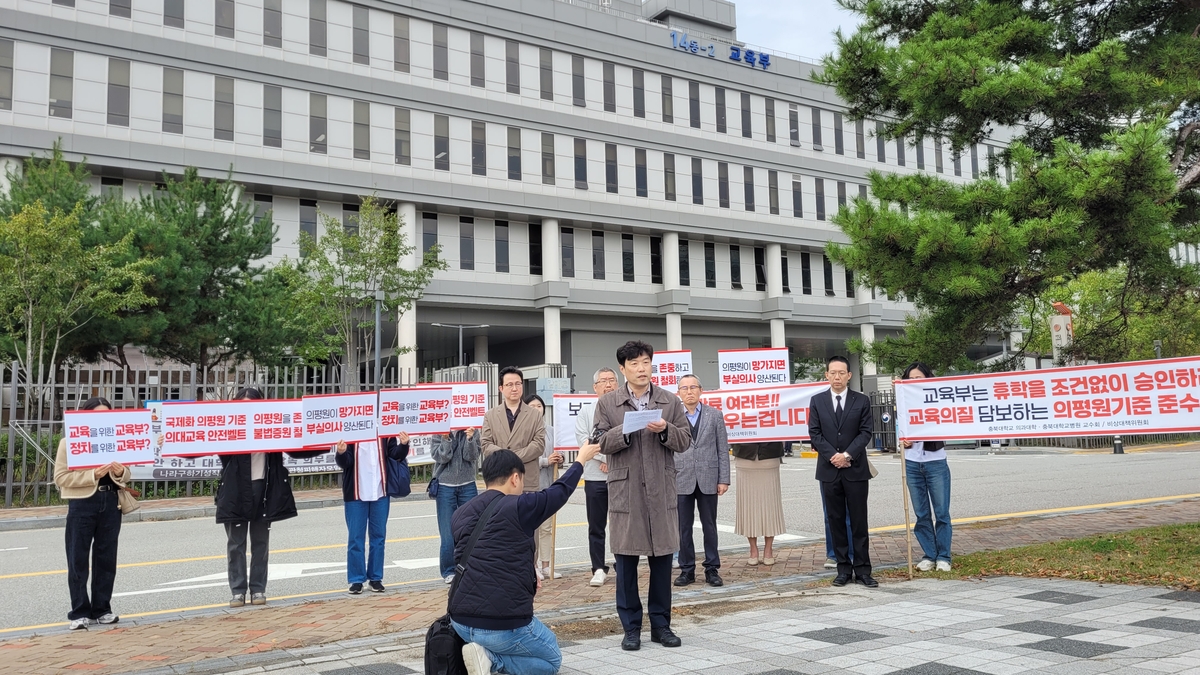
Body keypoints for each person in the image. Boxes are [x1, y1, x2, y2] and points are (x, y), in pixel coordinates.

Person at [451, 444, 602, 675]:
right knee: (551, 660)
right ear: (514, 478)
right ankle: (491, 660)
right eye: (521, 480)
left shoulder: (461, 513)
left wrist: (529, 570)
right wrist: (580, 460)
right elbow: (558, 492)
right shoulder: (520, 506)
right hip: (499, 625)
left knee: (510, 643)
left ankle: (481, 653)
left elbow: (483, 555)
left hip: (459, 621)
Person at [594, 340, 691, 651]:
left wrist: (664, 429)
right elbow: (598, 441)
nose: (641, 368)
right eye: (634, 364)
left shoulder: (669, 401)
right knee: (626, 565)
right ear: (623, 369)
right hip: (627, 491)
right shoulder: (608, 403)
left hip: (661, 489)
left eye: (646, 362)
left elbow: (685, 439)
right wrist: (624, 431)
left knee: (662, 562)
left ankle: (661, 626)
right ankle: (631, 628)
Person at [215, 387, 326, 608]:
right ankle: (238, 591)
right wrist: (170, 443)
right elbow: (199, 443)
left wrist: (326, 442)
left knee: (260, 544)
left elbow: (296, 449)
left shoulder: (273, 426)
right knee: (235, 544)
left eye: (252, 404)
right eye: (242, 405)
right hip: (235, 492)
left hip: (263, 491)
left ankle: (258, 589)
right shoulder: (228, 428)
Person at [53, 397, 128, 631]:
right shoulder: (69, 442)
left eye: (107, 414)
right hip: (82, 503)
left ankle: (102, 609)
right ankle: (79, 612)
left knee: (106, 558)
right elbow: (61, 478)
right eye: (97, 414)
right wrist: (92, 475)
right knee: (78, 559)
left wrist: (120, 471)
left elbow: (127, 475)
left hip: (111, 501)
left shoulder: (117, 440)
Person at [809, 355, 877, 588]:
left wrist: (847, 455)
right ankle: (843, 570)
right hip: (829, 471)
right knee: (835, 520)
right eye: (832, 372)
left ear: (849, 375)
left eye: (842, 373)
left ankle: (863, 569)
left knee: (859, 521)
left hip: (855, 469)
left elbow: (866, 432)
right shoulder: (817, 401)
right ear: (826, 375)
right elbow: (815, 433)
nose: (837, 377)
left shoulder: (861, 401)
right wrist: (833, 456)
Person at [334, 433, 410, 594]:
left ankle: (375, 578)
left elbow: (395, 455)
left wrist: (404, 445)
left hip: (380, 492)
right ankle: (356, 580)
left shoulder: (384, 432)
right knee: (355, 538)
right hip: (355, 493)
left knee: (379, 536)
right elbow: (346, 463)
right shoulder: (351, 432)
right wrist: (340, 452)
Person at [673, 374, 730, 587]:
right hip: (680, 477)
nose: (689, 391)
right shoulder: (672, 417)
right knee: (683, 527)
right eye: (684, 388)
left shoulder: (715, 415)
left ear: (701, 390)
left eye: (693, 387)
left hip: (708, 477)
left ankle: (712, 568)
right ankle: (686, 569)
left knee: (709, 526)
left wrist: (723, 478)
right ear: (678, 392)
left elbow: (722, 449)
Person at [897, 361, 953, 571]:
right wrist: (902, 441)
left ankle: (944, 557)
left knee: (941, 512)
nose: (914, 383)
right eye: (910, 380)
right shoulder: (903, 405)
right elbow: (897, 431)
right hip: (912, 462)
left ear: (928, 380)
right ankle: (929, 554)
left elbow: (949, 425)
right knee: (921, 513)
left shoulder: (938, 402)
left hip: (935, 461)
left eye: (918, 379)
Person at [574, 367, 618, 586]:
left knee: (623, 522)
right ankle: (598, 567)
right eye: (603, 381)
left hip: (622, 476)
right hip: (595, 477)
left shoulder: (624, 408)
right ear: (595, 387)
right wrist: (604, 459)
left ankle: (623, 561)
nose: (608, 384)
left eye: (611, 380)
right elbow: (585, 440)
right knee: (596, 525)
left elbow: (631, 437)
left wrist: (613, 461)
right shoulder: (586, 411)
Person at [480, 366, 546, 496]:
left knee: (527, 515)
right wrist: (506, 457)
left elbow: (538, 445)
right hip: (499, 480)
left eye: (518, 384)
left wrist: (511, 457)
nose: (514, 388)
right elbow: (486, 444)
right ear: (501, 388)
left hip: (526, 479)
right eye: (509, 385)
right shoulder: (491, 415)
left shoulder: (534, 414)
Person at [431, 426, 480, 584]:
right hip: (445, 485)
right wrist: (446, 438)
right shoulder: (439, 428)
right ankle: (448, 570)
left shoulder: (472, 427)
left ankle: (471, 567)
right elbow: (440, 457)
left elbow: (471, 456)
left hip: (468, 484)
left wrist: (470, 438)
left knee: (472, 529)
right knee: (447, 532)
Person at [524, 393, 563, 580]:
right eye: (532, 406)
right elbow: (522, 457)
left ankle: (547, 565)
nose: (536, 409)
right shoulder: (523, 431)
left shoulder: (552, 430)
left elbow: (558, 454)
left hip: (549, 484)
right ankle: (533, 565)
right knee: (533, 529)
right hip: (530, 485)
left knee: (547, 528)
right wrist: (545, 461)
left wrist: (558, 459)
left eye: (539, 406)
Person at [731, 441, 786, 566]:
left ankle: (768, 549)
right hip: (744, 455)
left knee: (770, 505)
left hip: (770, 455)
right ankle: (753, 550)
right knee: (748, 505)